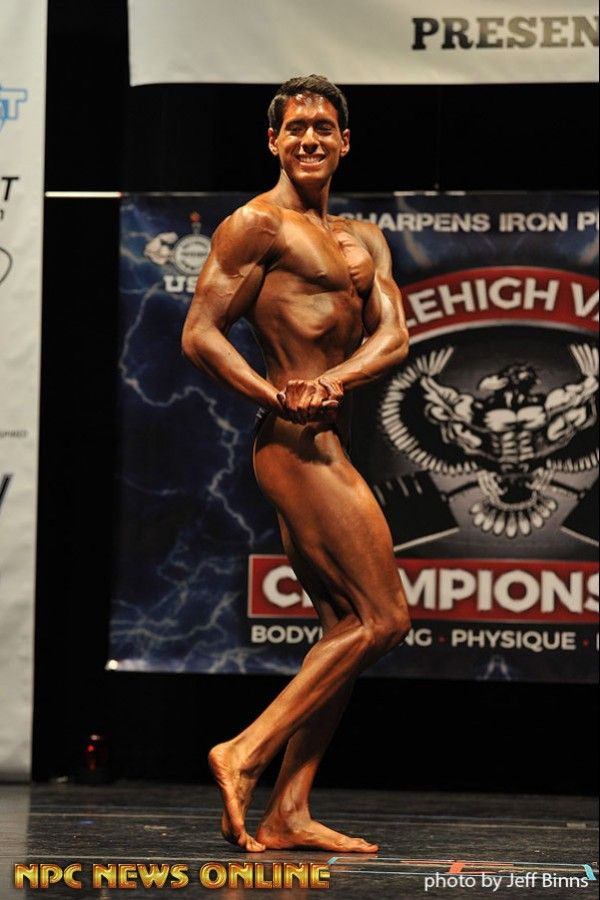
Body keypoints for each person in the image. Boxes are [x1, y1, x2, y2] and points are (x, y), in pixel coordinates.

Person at [182, 74, 411, 853]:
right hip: (291, 443)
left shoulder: (364, 239)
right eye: (296, 127)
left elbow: (394, 337)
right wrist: (276, 394)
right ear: (274, 141)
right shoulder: (257, 225)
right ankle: (243, 751)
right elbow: (200, 333)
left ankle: (289, 812)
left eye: (323, 127)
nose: (310, 137)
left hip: (329, 432)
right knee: (385, 619)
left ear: (345, 142)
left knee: (345, 628)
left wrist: (333, 381)